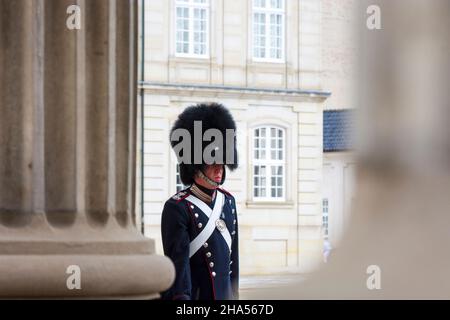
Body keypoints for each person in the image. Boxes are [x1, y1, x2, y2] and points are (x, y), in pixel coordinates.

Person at [160, 103, 239, 300]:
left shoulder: (228, 202)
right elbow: (179, 270)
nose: (220, 167)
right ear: (195, 165)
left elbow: (232, 266)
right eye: (213, 161)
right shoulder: (177, 208)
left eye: (222, 161)